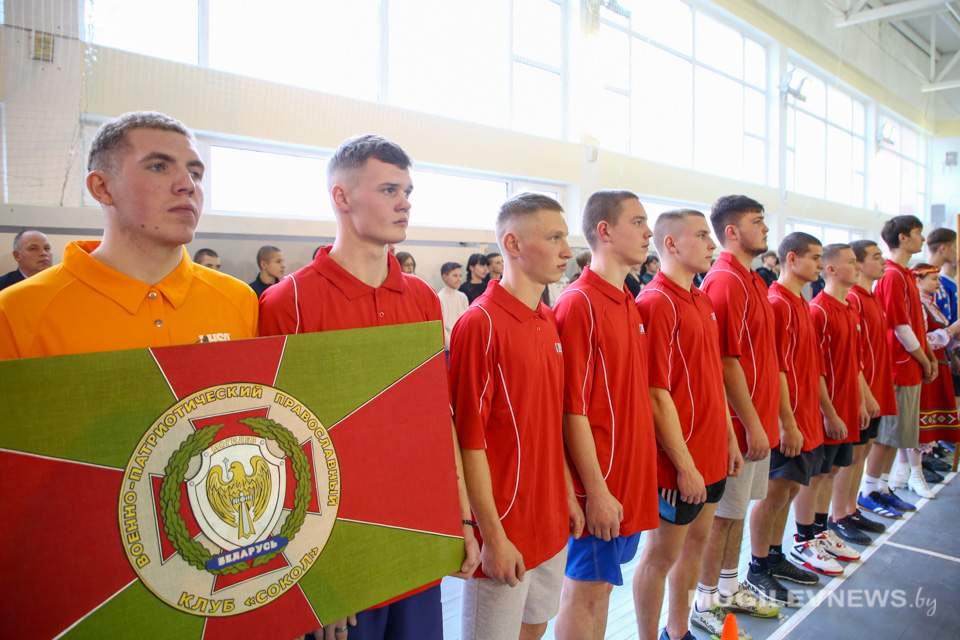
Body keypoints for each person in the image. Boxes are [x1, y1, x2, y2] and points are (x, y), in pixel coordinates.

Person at [258, 134, 479, 640]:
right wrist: (309, 572)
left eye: (408, 191)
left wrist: (462, 519)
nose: (404, 203)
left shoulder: (421, 297)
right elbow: (272, 447)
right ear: (341, 196)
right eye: (388, 190)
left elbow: (436, 418)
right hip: (337, 551)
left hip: (417, 534)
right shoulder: (288, 301)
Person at [0, 110, 257, 360]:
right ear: (102, 187)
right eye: (159, 166)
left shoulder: (238, 299)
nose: (188, 185)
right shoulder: (15, 312)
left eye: (195, 174)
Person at [449, 192, 582, 640]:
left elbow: (548, 424)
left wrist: (566, 493)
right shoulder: (480, 324)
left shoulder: (548, 319)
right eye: (555, 238)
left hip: (550, 518)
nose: (567, 250)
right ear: (513, 244)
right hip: (506, 526)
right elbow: (469, 442)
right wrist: (492, 536)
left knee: (536, 626)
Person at [552, 191, 658, 640]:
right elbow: (570, 410)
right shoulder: (579, 303)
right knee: (586, 593)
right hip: (598, 484)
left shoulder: (627, 299)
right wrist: (595, 491)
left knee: (601, 592)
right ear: (605, 231)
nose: (649, 232)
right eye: (638, 222)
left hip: (628, 479)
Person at [633, 209, 742, 640]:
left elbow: (712, 378)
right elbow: (656, 394)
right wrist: (684, 465)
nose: (712, 244)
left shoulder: (701, 299)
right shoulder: (655, 303)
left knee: (696, 545)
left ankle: (677, 631)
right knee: (660, 557)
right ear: (672, 244)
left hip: (713, 452)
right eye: (702, 235)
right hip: (679, 463)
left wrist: (729, 438)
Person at [694, 196, 783, 638]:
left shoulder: (751, 279)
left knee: (736, 513)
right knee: (722, 517)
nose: (765, 228)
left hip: (757, 420)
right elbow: (727, 362)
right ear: (731, 231)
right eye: (756, 221)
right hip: (739, 425)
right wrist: (750, 424)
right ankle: (705, 599)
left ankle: (729, 587)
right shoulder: (725, 281)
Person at [745, 233, 825, 607]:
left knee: (790, 490)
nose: (821, 265)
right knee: (775, 492)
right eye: (815, 257)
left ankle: (775, 556)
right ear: (792, 259)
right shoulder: (776, 303)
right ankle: (757, 566)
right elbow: (774, 369)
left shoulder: (800, 302)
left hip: (805, 416)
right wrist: (786, 422)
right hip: (787, 418)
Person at [794, 245, 872, 563]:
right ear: (831, 269)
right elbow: (815, 370)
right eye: (852, 262)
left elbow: (854, 363)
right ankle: (804, 539)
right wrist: (829, 412)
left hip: (847, 409)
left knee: (833, 471)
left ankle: (821, 530)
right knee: (816, 476)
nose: (858, 267)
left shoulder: (850, 308)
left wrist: (862, 402)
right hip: (828, 413)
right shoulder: (819, 311)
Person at [860, 216, 933, 518]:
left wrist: (927, 356)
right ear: (902, 237)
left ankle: (883, 486)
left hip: (910, 364)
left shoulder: (904, 274)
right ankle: (869, 490)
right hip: (899, 365)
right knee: (887, 435)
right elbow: (901, 326)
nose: (922, 239)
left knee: (898, 434)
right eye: (918, 233)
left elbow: (915, 323)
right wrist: (924, 358)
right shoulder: (891, 275)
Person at [842, 240, 898, 539]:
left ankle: (851, 508)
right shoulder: (854, 298)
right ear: (860, 265)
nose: (883, 261)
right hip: (862, 393)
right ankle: (840, 515)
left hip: (876, 389)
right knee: (851, 457)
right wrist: (864, 395)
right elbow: (854, 356)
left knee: (862, 453)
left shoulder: (872, 297)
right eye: (876, 257)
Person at [913, 264, 960, 474]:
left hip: (941, 364)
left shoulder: (930, 304)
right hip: (927, 367)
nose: (938, 283)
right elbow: (921, 340)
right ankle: (914, 470)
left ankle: (921, 464)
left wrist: (954, 338)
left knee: (932, 420)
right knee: (922, 421)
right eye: (933, 279)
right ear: (918, 280)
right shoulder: (918, 304)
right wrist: (950, 331)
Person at [438, 261, 469, 352]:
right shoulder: (440, 298)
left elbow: (466, 322)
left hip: (462, 344)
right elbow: (441, 327)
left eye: (460, 275)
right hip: (448, 347)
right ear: (445, 277)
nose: (459, 279)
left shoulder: (462, 296)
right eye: (455, 276)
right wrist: (452, 346)